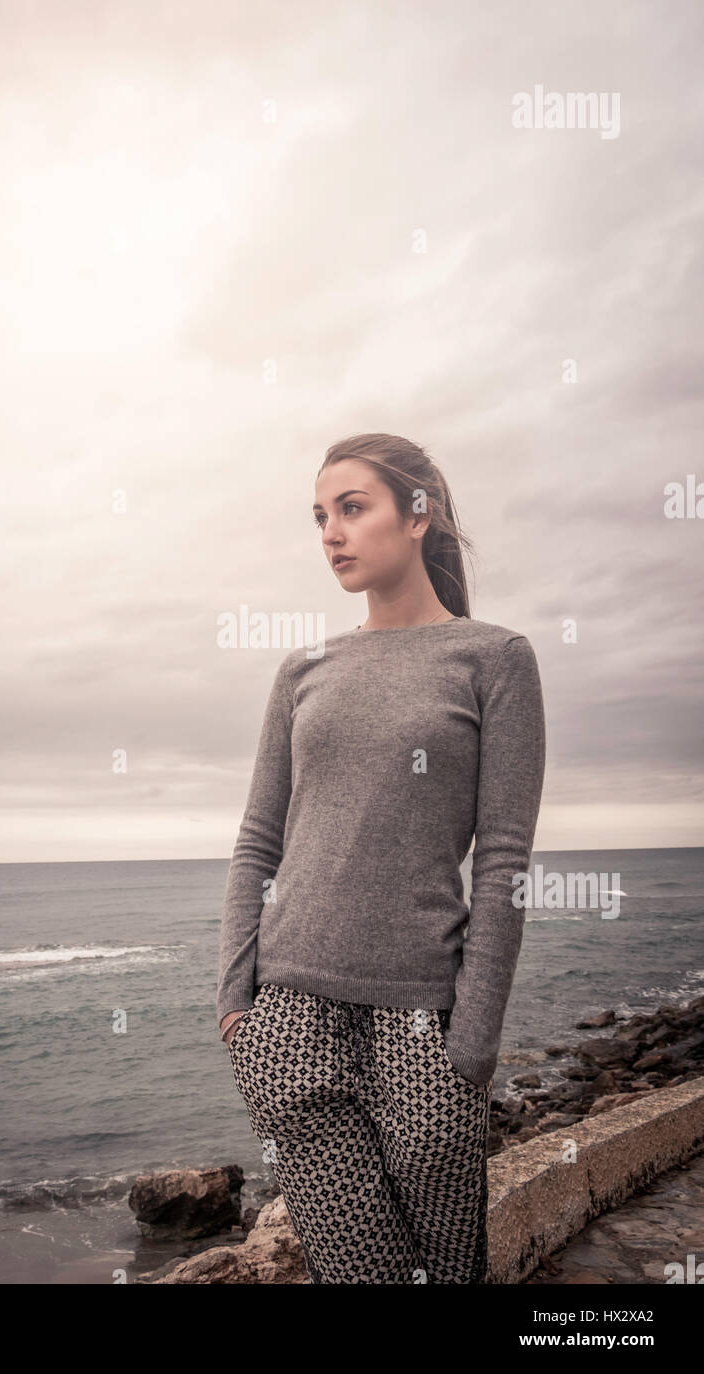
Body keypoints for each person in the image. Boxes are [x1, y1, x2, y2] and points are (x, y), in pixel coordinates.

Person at [216, 432, 546, 1284]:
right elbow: (258, 841)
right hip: (289, 1019)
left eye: (352, 508)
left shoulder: (494, 659)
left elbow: (504, 860)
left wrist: (470, 1046)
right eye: (321, 516)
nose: (331, 532)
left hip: (423, 1024)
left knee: (443, 1274)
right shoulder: (304, 671)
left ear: (418, 512)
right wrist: (235, 1006)